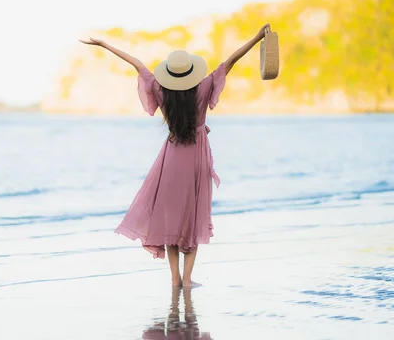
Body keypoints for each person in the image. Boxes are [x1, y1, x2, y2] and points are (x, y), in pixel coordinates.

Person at [80, 24, 271, 287]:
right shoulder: (204, 87)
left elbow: (136, 63)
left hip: (171, 158)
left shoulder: (162, 91)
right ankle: (189, 279)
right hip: (197, 158)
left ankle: (175, 279)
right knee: (192, 217)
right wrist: (258, 36)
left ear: (170, 75)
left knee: (170, 218)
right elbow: (231, 60)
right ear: (192, 72)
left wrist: (103, 44)